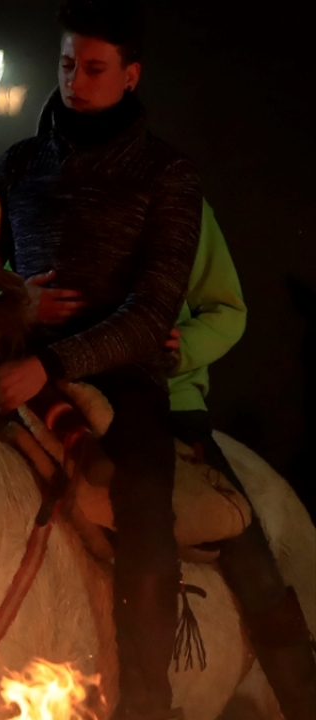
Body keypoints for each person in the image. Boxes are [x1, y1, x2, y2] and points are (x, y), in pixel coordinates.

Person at [0, 2, 200, 717]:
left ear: (131, 76)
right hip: (15, 366)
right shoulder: (17, 165)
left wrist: (54, 365)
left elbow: (153, 310)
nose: (75, 81)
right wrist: (17, 303)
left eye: (95, 68)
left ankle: (146, 700)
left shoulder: (167, 174)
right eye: (67, 64)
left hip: (122, 381)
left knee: (145, 517)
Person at [164, 204, 316, 718]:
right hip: (53, 388)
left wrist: (179, 348)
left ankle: (302, 696)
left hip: (168, 403)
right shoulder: (33, 180)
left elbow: (227, 310)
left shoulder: (178, 197)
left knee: (250, 556)